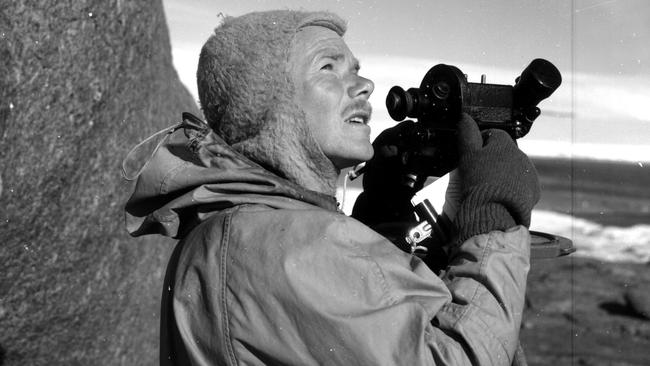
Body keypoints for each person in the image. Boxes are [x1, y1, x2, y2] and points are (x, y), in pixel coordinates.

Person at [124, 10, 539, 366]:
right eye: (328, 68)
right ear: (271, 103)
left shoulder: (247, 226)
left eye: (356, 70)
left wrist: (381, 222)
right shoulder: (278, 246)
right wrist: (493, 218)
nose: (365, 85)